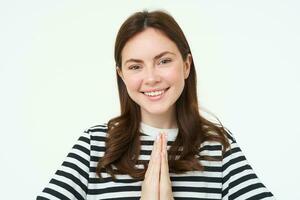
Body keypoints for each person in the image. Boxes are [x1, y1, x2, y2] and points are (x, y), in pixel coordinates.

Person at [37, 10, 275, 200]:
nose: (151, 78)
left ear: (186, 65)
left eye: (163, 61)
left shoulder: (216, 145)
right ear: (121, 75)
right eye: (135, 66)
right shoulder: (95, 144)